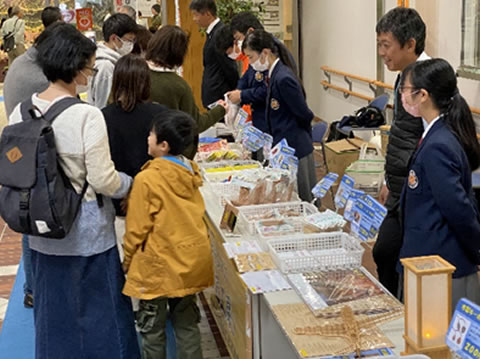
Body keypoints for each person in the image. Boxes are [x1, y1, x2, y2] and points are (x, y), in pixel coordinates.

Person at [8, 23, 140, 358]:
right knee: (104, 319)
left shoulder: (20, 111)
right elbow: (103, 180)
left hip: (42, 232)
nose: (91, 73)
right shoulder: (87, 115)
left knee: (54, 321)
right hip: (87, 233)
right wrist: (131, 183)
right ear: (75, 66)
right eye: (90, 66)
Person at [123, 109, 213, 359]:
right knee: (187, 324)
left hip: (157, 266)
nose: (147, 137)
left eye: (151, 134)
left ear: (163, 144)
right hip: (190, 261)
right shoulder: (190, 173)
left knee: (152, 329)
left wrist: (127, 261)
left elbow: (136, 229)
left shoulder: (147, 179)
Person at [399, 58, 480, 307]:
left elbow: (457, 208)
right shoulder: (434, 133)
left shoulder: (439, 145)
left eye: (405, 90)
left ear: (422, 95)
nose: (402, 96)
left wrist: (477, 248)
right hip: (428, 256)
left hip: (441, 263)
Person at [3, 20, 64, 309]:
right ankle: (35, 289)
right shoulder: (38, 78)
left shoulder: (21, 63)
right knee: (33, 224)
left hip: (22, 152)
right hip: (32, 153)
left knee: (29, 221)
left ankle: (33, 288)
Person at [372, 7, 430, 297]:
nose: (383, 52)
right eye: (379, 44)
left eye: (386, 45)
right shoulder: (403, 76)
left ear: (410, 44)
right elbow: (401, 133)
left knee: (404, 259)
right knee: (384, 252)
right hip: (399, 186)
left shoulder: (430, 81)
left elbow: (432, 140)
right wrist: (388, 180)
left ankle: (405, 319)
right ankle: (393, 312)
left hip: (418, 188)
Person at [102, 54, 167, 254]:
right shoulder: (160, 114)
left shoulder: (103, 116)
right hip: (154, 201)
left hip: (116, 203)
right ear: (145, 81)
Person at [243, 29, 316, 202]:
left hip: (295, 146)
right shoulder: (273, 75)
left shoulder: (283, 78)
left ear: (265, 53)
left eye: (251, 57)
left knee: (302, 199)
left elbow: (304, 114)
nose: (251, 63)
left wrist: (297, 137)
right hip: (282, 147)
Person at [146, 25, 227, 159]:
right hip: (170, 158)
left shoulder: (135, 74)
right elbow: (195, 123)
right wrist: (220, 110)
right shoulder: (178, 86)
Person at [190, 0, 239, 109]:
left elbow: (229, 67)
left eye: (196, 15)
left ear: (207, 14)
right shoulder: (211, 33)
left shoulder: (220, 33)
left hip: (220, 95)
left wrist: (234, 90)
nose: (194, 19)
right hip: (213, 94)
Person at [87, 13, 137, 109]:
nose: (131, 44)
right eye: (129, 40)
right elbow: (104, 105)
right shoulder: (106, 67)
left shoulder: (110, 60)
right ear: (114, 38)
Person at [230, 11, 298, 75]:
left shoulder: (272, 51)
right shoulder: (258, 51)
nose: (238, 43)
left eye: (239, 38)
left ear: (250, 32)